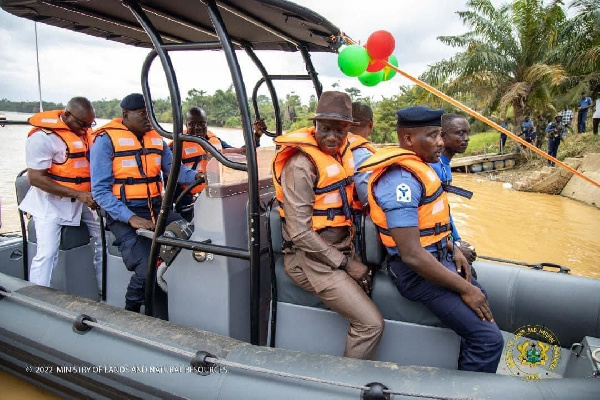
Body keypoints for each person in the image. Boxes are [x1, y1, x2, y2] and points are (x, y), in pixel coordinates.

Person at [359, 106, 503, 372]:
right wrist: (465, 289)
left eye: (440, 134)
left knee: (482, 301)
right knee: (488, 340)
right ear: (409, 139)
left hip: (440, 255)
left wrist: (451, 246)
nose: (440, 142)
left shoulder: (423, 170)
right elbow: (412, 254)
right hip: (416, 273)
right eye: (433, 135)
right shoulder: (400, 182)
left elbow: (428, 226)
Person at [272, 91, 384, 360]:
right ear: (315, 126)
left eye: (339, 130)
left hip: (340, 251)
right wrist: (348, 265)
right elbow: (299, 232)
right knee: (371, 325)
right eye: (325, 129)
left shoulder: (341, 156)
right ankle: (347, 386)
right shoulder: (301, 165)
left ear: (349, 130)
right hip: (309, 260)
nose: (332, 137)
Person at [91, 93, 202, 312]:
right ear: (125, 114)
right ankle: (131, 310)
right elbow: (100, 191)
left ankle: (174, 300)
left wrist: (200, 177)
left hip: (157, 209)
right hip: (122, 213)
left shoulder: (156, 140)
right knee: (146, 265)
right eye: (143, 114)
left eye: (150, 113)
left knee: (193, 237)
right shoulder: (104, 142)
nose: (148, 118)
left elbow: (175, 171)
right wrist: (130, 218)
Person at [19, 97, 103, 288]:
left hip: (84, 200)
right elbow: (36, 178)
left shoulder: (84, 134)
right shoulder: (42, 137)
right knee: (47, 253)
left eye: (89, 125)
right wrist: (77, 194)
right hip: (50, 204)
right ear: (67, 115)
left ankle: (102, 289)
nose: (85, 130)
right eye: (82, 124)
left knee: (103, 240)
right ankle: (38, 295)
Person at [171, 106, 264, 221]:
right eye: (192, 124)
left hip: (216, 194)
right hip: (190, 200)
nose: (197, 128)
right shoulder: (177, 145)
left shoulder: (215, 140)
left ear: (206, 123)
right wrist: (197, 178)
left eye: (201, 123)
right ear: (186, 125)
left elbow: (242, 153)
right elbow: (172, 173)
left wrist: (257, 136)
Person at [429, 114, 476, 264]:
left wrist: (457, 238)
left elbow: (444, 209)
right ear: (442, 136)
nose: (466, 138)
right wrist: (454, 246)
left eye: (468, 133)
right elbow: (430, 215)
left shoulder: (445, 165)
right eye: (460, 133)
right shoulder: (432, 167)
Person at [347, 101, 377, 256]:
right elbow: (368, 199)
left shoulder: (333, 145)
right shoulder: (363, 154)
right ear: (370, 124)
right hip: (354, 220)